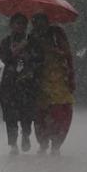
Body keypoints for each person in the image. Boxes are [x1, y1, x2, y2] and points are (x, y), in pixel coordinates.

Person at [0, 13, 42, 154]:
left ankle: (25, 135)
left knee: (27, 114)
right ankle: (13, 144)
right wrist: (15, 52)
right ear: (11, 25)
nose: (20, 26)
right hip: (10, 84)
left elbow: (40, 58)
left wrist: (27, 55)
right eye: (17, 23)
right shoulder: (6, 42)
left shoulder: (32, 41)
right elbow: (4, 57)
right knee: (10, 116)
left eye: (23, 24)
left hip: (27, 84)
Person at [30, 13, 75, 155]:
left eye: (42, 21)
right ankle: (43, 143)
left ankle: (56, 144)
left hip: (59, 80)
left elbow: (67, 53)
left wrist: (53, 50)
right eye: (36, 22)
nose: (39, 25)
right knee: (40, 115)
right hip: (40, 80)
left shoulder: (57, 33)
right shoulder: (32, 36)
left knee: (60, 114)